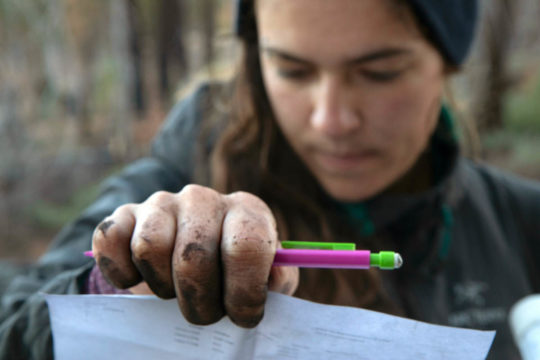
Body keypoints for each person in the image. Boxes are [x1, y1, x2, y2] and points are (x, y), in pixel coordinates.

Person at [1, 0, 539, 359]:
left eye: (380, 73)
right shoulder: (171, 173)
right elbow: (16, 325)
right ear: (256, 62)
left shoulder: (521, 222)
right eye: (293, 70)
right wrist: (112, 294)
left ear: (447, 65)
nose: (331, 119)